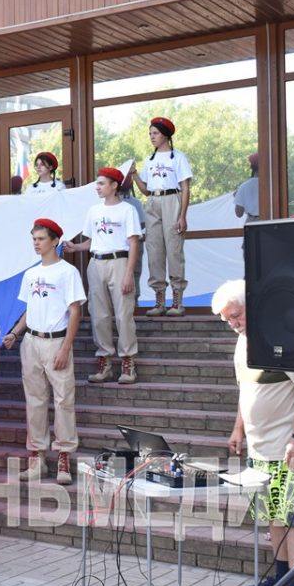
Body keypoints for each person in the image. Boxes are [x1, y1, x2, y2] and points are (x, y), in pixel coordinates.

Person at [212, 279, 294, 586]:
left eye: (237, 316)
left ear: (252, 308)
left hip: (287, 448)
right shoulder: (242, 344)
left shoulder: (280, 336)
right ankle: (280, 578)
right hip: (258, 447)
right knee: (272, 516)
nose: (234, 324)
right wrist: (237, 430)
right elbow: (245, 392)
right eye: (228, 320)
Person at [2, 219, 85, 484]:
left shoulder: (67, 272)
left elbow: (75, 311)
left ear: (54, 241)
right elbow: (30, 309)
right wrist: (16, 332)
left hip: (56, 341)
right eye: (34, 239)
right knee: (35, 401)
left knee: (63, 400)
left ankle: (63, 458)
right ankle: (37, 457)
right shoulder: (31, 274)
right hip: (31, 342)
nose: (36, 243)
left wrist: (66, 347)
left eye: (40, 239)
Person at [63, 167, 142, 385]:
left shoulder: (127, 210)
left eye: (101, 183)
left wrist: (129, 274)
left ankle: (127, 362)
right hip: (96, 262)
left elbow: (134, 242)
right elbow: (91, 241)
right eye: (97, 184)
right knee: (99, 314)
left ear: (114, 185)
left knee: (123, 313)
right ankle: (104, 361)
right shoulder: (93, 211)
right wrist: (76, 247)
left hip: (120, 261)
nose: (97, 187)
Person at [130, 117, 192, 316]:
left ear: (165, 135)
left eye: (155, 133)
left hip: (172, 198)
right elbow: (146, 191)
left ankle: (177, 301)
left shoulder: (178, 157)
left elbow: (185, 187)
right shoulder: (150, 159)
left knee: (174, 250)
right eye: (150, 134)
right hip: (153, 202)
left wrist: (182, 215)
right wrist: (134, 175)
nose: (152, 137)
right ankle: (159, 301)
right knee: (154, 250)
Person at [119, 169, 147, 302]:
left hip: (133, 245)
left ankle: (135, 304)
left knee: (134, 274)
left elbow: (142, 225)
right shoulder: (108, 203)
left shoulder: (136, 203)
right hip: (118, 246)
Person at [234, 153, 260, 221]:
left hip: (252, 225)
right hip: (270, 222)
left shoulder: (244, 186)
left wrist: (239, 197)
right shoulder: (271, 185)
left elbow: (239, 213)